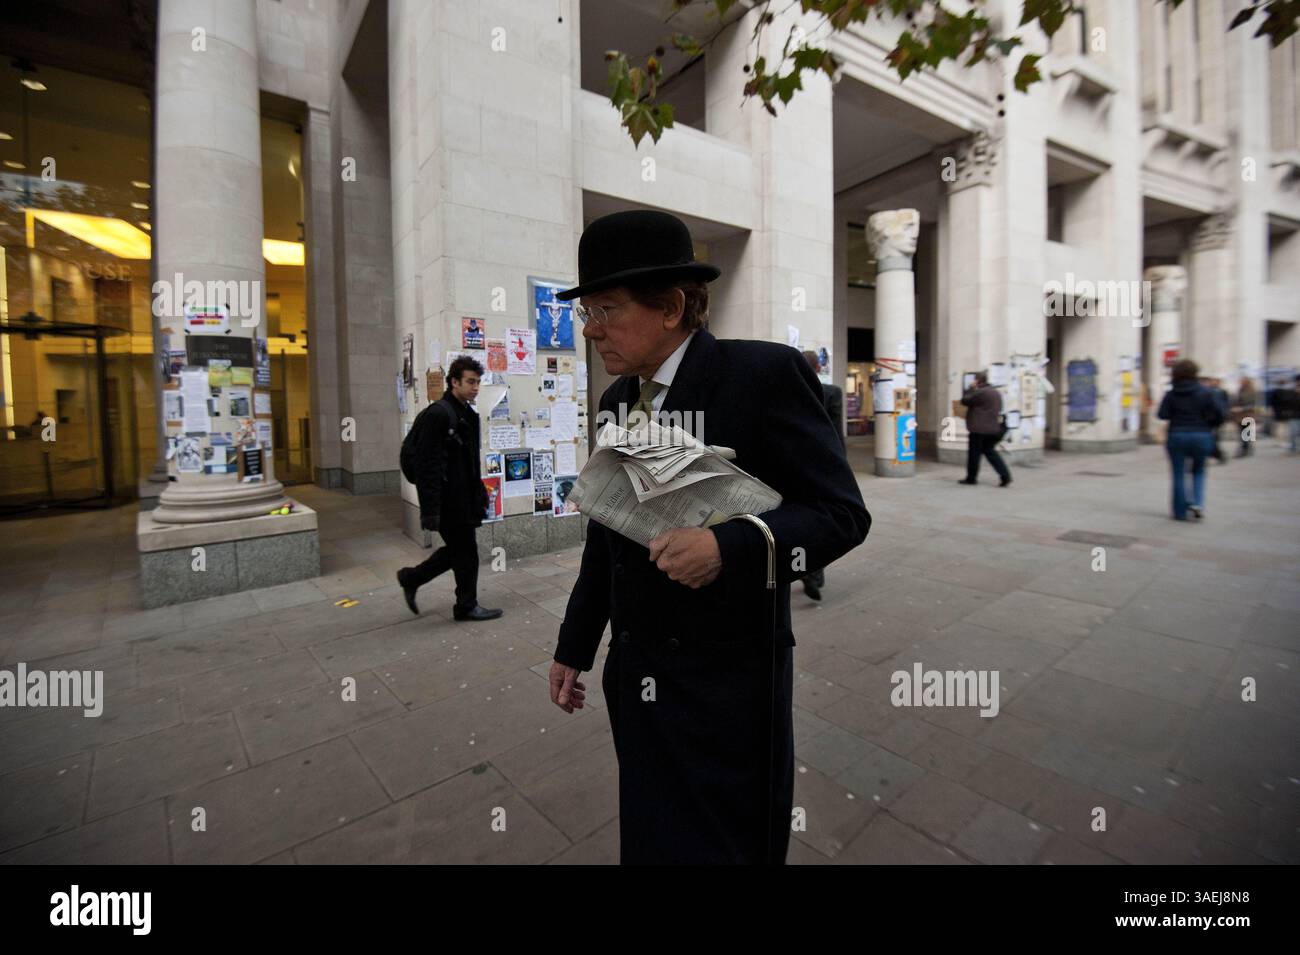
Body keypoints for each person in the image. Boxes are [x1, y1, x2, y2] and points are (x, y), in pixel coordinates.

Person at [546, 210, 870, 864]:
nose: (590, 328)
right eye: (588, 311)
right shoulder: (616, 402)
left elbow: (841, 512)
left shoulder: (763, 376)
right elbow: (606, 531)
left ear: (669, 306)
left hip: (729, 693)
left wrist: (731, 546)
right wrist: (575, 643)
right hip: (637, 682)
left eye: (606, 308)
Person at [396, 356, 502, 621]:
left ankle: (411, 577)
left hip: (464, 497)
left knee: (459, 551)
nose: (476, 387)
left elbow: (467, 463)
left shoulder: (466, 413)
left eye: (478, 382)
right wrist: (430, 510)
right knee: (466, 552)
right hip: (447, 500)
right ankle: (466, 605)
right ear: (454, 382)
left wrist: (478, 494)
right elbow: (427, 465)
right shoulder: (438, 414)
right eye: (470, 381)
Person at [799, 349, 845, 601]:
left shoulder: (785, 389)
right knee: (821, 520)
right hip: (822, 467)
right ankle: (813, 571)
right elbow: (836, 433)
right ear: (819, 368)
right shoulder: (831, 392)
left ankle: (802, 566)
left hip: (791, 466)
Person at [1157, 359, 1224, 520]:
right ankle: (1197, 503)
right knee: (1199, 471)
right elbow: (1220, 414)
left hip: (1177, 435)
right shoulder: (1207, 392)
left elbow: (1162, 414)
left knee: (1178, 473)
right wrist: (1208, 424)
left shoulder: (1171, 394)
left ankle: (1180, 512)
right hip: (1201, 435)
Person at [959, 371, 1011, 487]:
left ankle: (971, 478)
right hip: (993, 429)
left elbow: (965, 401)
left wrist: (970, 388)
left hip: (978, 429)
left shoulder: (980, 392)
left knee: (974, 454)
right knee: (990, 452)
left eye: (974, 380)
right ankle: (1005, 476)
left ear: (977, 380)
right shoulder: (995, 392)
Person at [1204, 376, 1230, 463]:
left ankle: (1217, 454)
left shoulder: (1220, 392)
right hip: (1211, 419)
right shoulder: (1208, 392)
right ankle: (1216, 454)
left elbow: (1223, 405)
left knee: (1213, 437)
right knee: (1212, 437)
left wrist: (1223, 416)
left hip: (1215, 418)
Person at [1231, 377, 1258, 457]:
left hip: (1248, 414)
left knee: (1246, 433)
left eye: (1242, 381)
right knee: (1244, 433)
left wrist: (1241, 408)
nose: (1240, 382)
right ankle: (1246, 448)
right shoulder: (1240, 390)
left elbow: (1252, 404)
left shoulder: (1251, 391)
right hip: (1240, 416)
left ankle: (1244, 450)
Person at [1272, 376, 1300, 453]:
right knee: (1291, 431)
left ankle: (1286, 444)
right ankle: (1291, 446)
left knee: (1283, 427)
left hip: (1287, 413)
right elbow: (1288, 402)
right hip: (1294, 414)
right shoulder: (1292, 391)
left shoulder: (1287, 391)